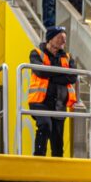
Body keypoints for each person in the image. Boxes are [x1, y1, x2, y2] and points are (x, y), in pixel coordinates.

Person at [28, 27, 77, 157]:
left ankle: (58, 171)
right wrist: (60, 74)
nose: (63, 42)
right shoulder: (36, 53)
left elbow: (72, 77)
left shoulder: (68, 57)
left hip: (59, 104)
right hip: (39, 101)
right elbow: (40, 71)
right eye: (60, 38)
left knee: (57, 142)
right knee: (44, 126)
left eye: (64, 40)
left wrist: (50, 74)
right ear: (50, 38)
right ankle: (38, 158)